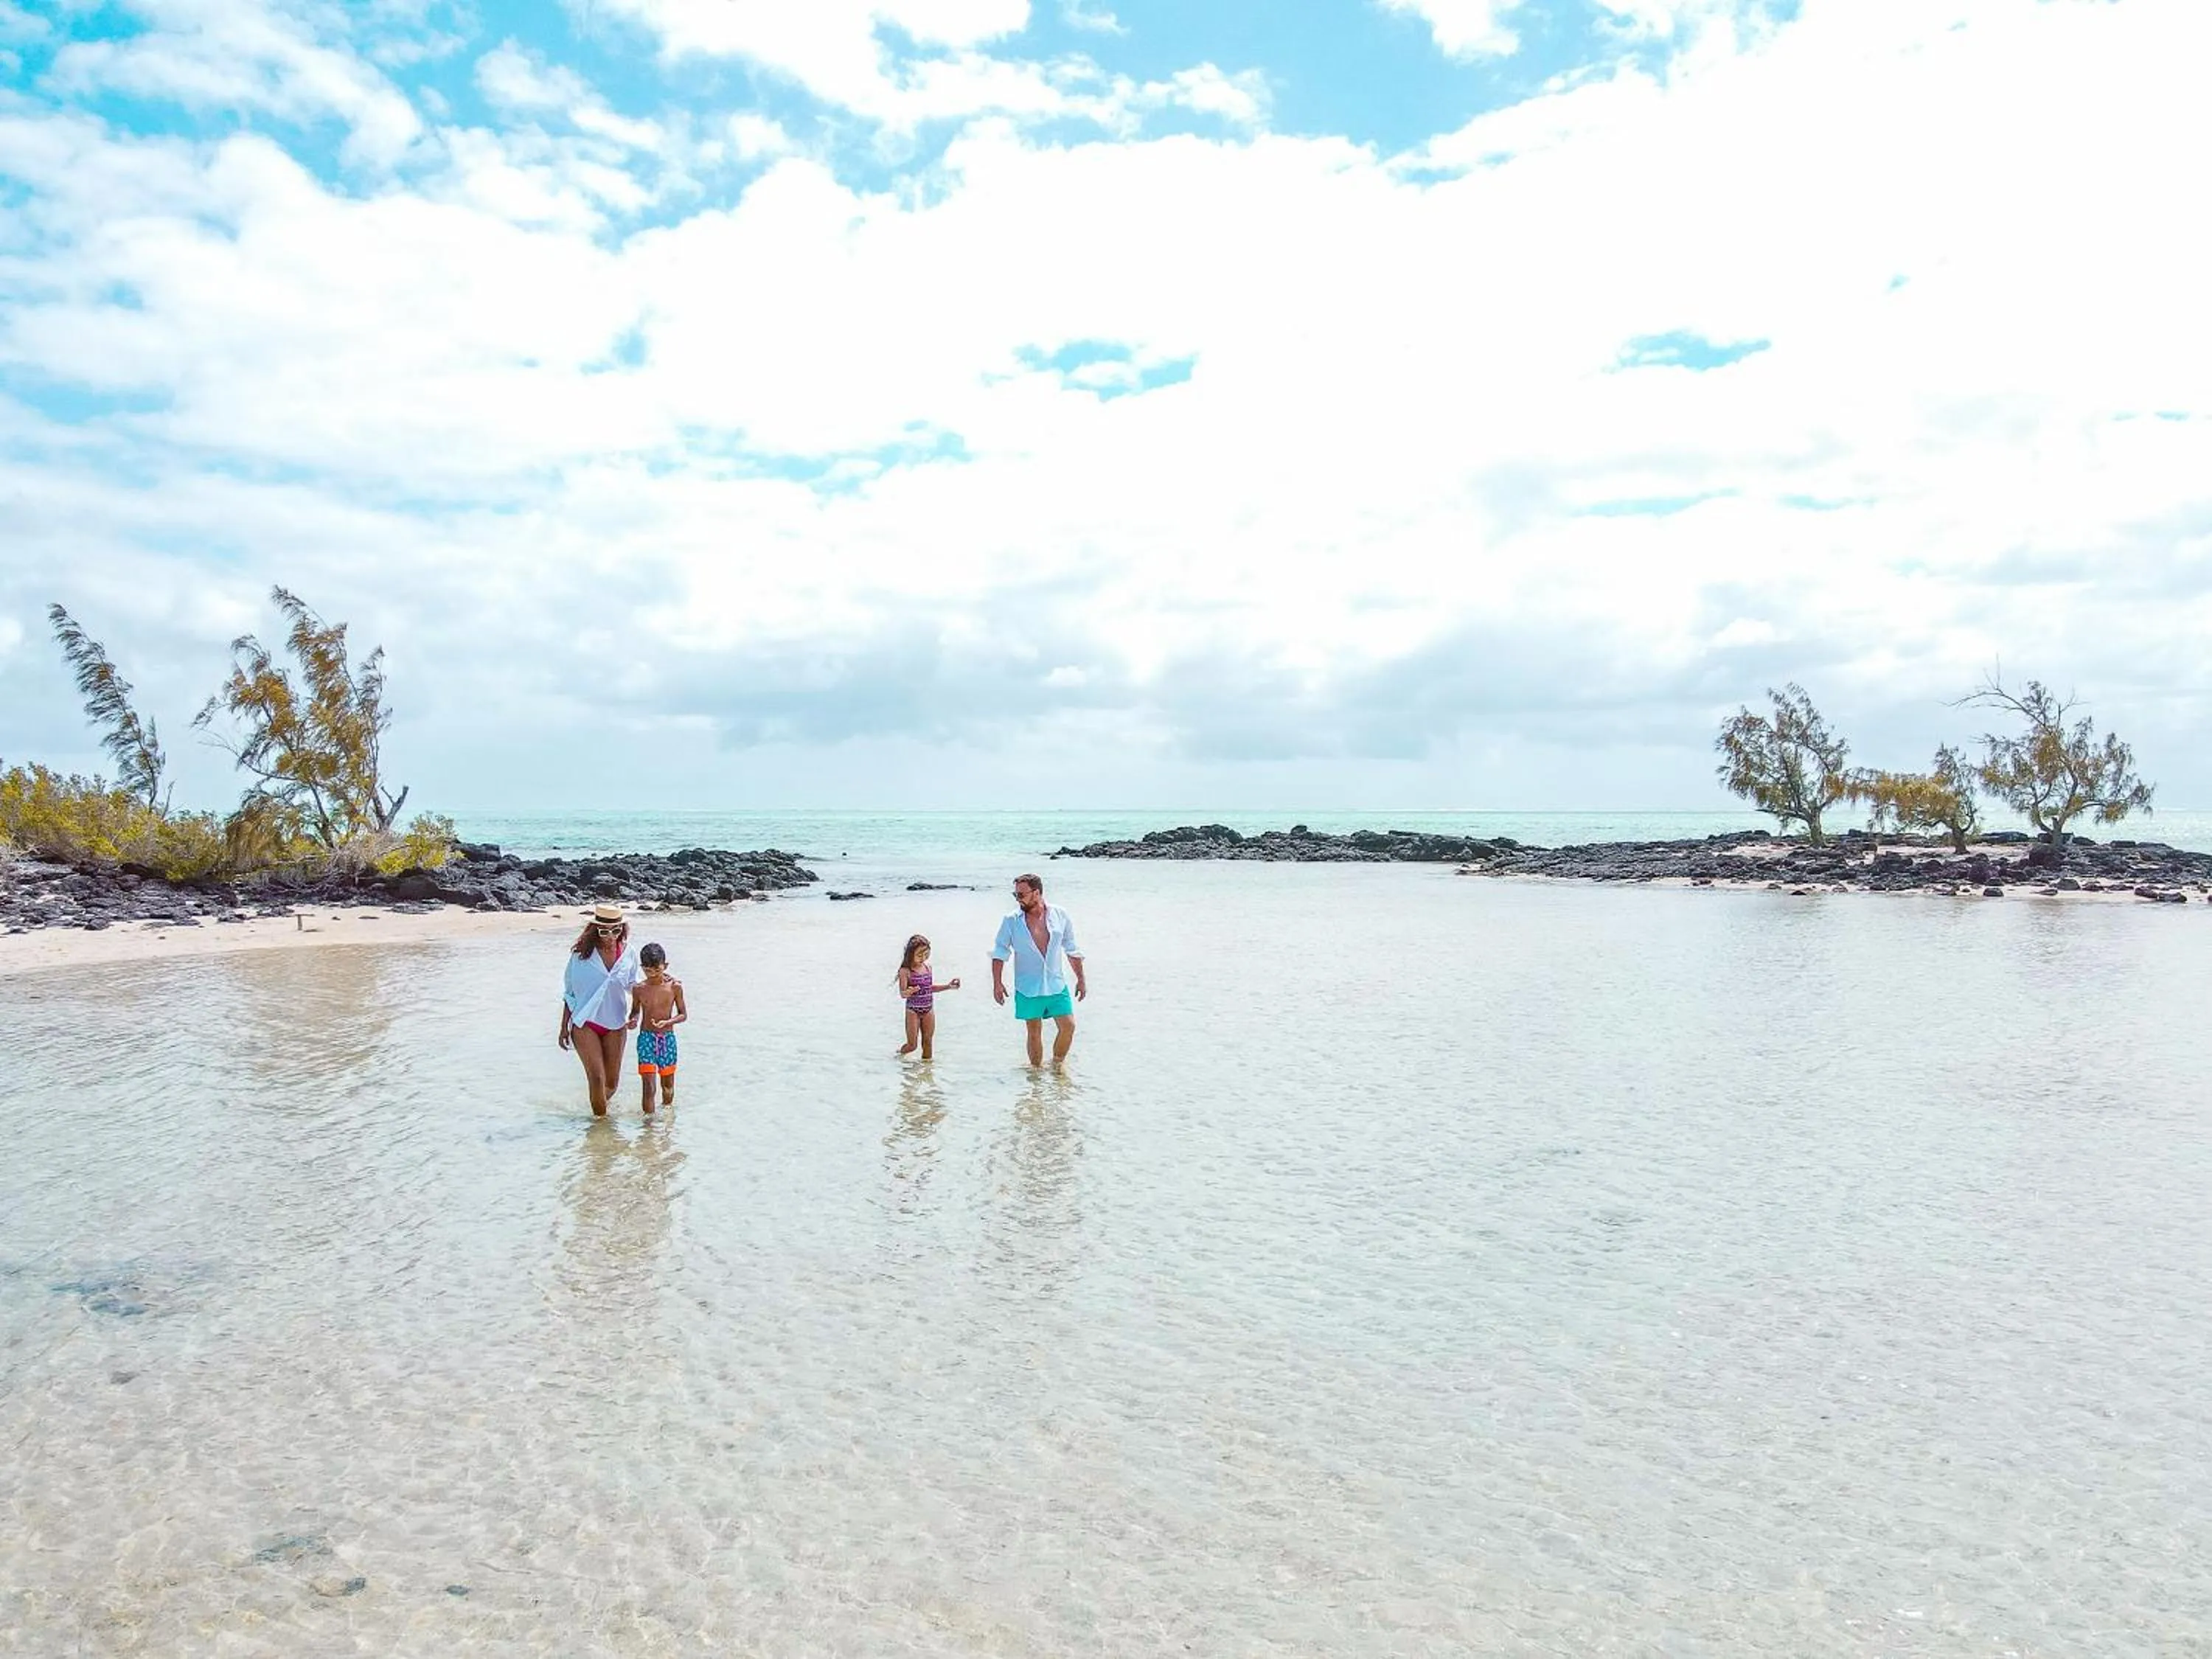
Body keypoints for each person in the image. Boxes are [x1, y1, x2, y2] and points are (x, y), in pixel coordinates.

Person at [990, 874, 1087, 1067]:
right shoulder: (1011, 920)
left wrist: (1081, 979)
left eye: (1022, 895)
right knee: (1034, 1031)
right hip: (1027, 986)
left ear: (1037, 892)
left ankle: (1057, 1066)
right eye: (1015, 895)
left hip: (1056, 984)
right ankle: (1036, 1080)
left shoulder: (1060, 915)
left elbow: (1071, 949)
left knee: (1068, 1026)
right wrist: (997, 984)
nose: (1018, 899)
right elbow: (1000, 952)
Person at [558, 902, 639, 1118]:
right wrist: (563, 1027)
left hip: (616, 1023)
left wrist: (636, 1013)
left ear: (623, 928)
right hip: (585, 1023)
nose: (611, 936)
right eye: (604, 931)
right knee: (596, 1078)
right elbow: (570, 993)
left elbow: (635, 987)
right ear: (595, 930)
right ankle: (600, 1134)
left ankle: (593, 1116)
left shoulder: (629, 953)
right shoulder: (581, 956)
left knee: (611, 1083)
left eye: (616, 930)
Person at [627, 942, 688, 1115]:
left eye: (657, 970)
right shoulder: (639, 989)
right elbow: (635, 1012)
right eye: (648, 971)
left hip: (667, 1040)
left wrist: (668, 1022)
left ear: (665, 966)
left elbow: (683, 1014)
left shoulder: (674, 987)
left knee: (667, 1086)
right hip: (646, 1039)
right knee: (648, 1086)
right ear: (642, 968)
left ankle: (667, 1123)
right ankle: (648, 1129)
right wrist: (632, 1021)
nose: (652, 975)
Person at [894, 933, 961, 1060]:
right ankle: (899, 1057)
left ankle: (926, 1074)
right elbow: (903, 994)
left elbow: (930, 988)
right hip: (913, 1011)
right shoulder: (905, 971)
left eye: (926, 954)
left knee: (928, 1043)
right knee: (912, 1046)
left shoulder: (928, 968)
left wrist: (948, 986)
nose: (923, 958)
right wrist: (909, 991)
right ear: (911, 954)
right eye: (920, 955)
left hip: (928, 1010)